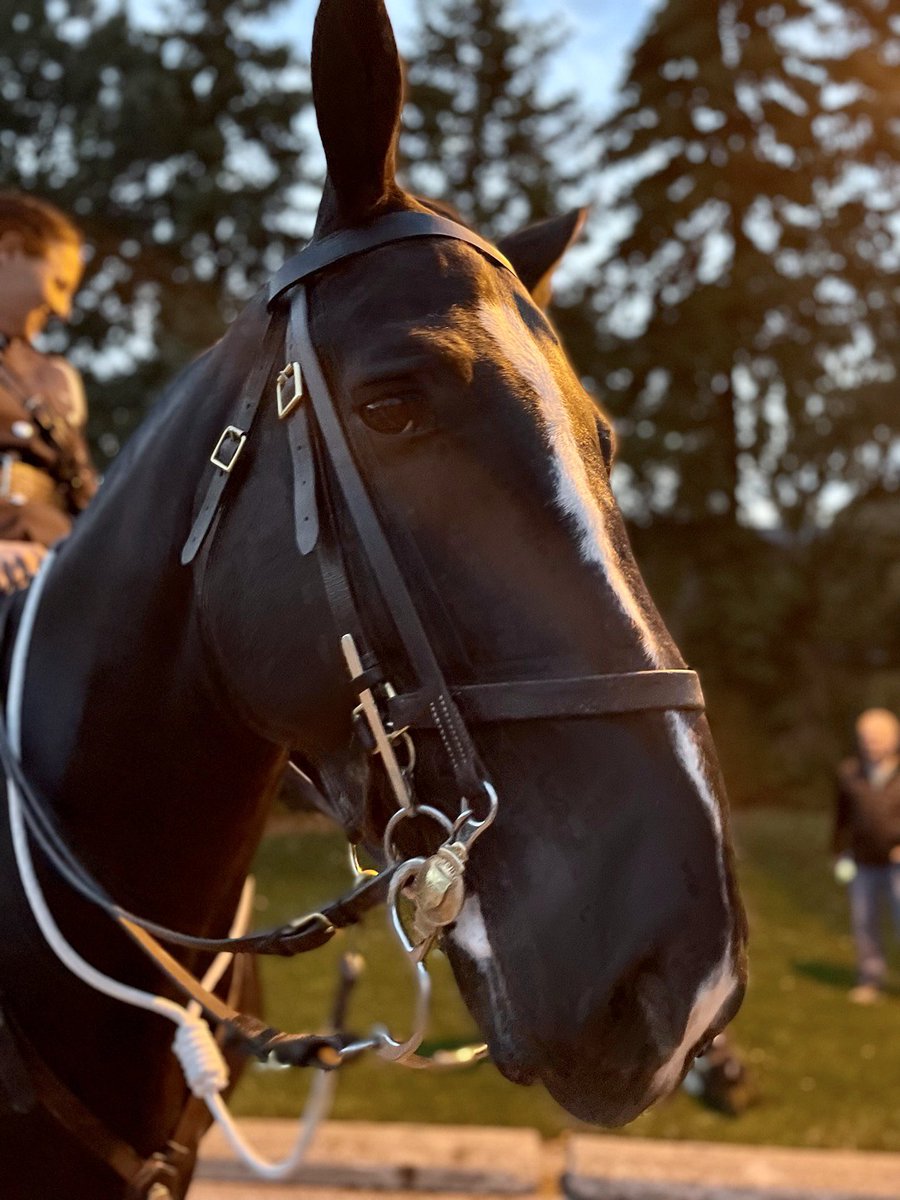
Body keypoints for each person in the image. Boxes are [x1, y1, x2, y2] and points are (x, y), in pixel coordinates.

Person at [0, 191, 98, 591]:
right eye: (59, 284)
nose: (64, 310)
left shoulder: (56, 378)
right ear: (8, 250)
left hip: (59, 575)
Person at [833, 707, 900, 1004]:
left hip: (898, 863)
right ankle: (870, 978)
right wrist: (837, 851)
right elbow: (841, 817)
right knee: (864, 922)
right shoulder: (849, 772)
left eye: (878, 738)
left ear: (894, 739)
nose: (871, 744)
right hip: (861, 862)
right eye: (866, 738)